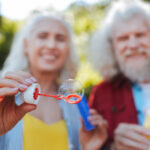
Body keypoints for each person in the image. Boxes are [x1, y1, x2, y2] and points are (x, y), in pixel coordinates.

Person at [0, 13, 107, 150]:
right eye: (42, 36)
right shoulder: (3, 94)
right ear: (26, 45)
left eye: (60, 39)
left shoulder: (76, 107)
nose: (51, 45)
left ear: (67, 49)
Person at [88, 0, 150, 149]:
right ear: (111, 46)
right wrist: (114, 147)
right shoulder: (101, 94)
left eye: (140, 34)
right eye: (123, 38)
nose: (133, 45)